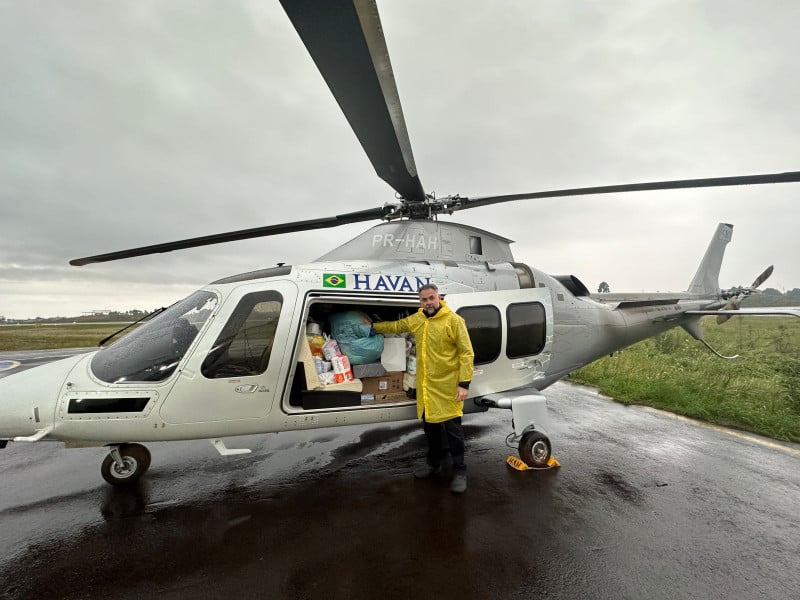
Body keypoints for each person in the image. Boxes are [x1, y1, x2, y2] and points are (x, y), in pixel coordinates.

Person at [372, 284, 475, 494]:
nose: (428, 302)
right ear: (420, 302)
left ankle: (460, 471)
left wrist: (464, 384)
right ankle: (434, 465)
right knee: (431, 430)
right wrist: (373, 327)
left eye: (431, 298)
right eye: (424, 300)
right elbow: (396, 326)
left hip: (448, 389)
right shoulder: (418, 319)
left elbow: (466, 353)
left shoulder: (453, 321)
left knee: (454, 432)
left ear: (439, 298)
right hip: (426, 388)